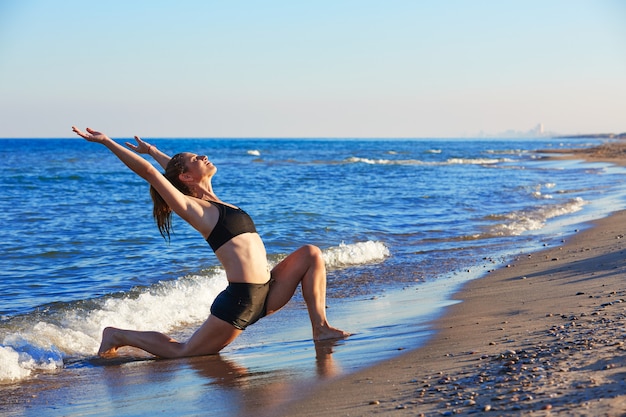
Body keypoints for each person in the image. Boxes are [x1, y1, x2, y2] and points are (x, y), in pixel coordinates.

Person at [71, 126, 349, 358]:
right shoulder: (195, 209)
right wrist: (107, 142)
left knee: (310, 253)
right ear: (187, 177)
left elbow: (175, 173)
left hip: (269, 290)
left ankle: (320, 327)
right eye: (196, 159)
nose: (203, 156)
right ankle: (116, 334)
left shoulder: (216, 201)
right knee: (183, 352)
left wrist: (154, 151)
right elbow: (153, 175)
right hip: (240, 302)